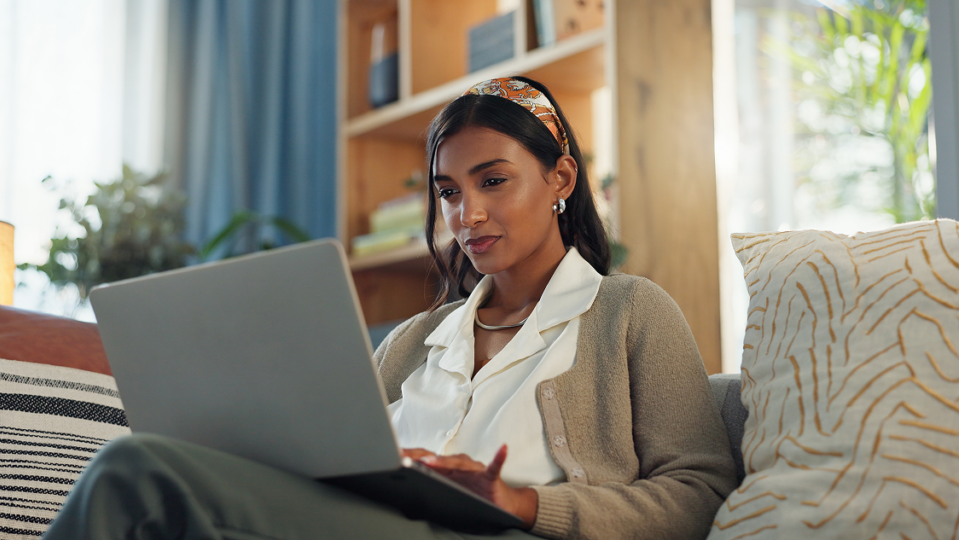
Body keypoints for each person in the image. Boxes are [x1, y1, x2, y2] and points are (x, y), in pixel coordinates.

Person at [41, 76, 736, 540]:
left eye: (493, 181)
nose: (469, 213)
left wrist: (526, 504)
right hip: (378, 524)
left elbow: (700, 491)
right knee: (140, 463)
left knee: (140, 475)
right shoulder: (413, 340)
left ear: (560, 177)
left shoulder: (630, 312)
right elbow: (344, 458)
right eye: (449, 192)